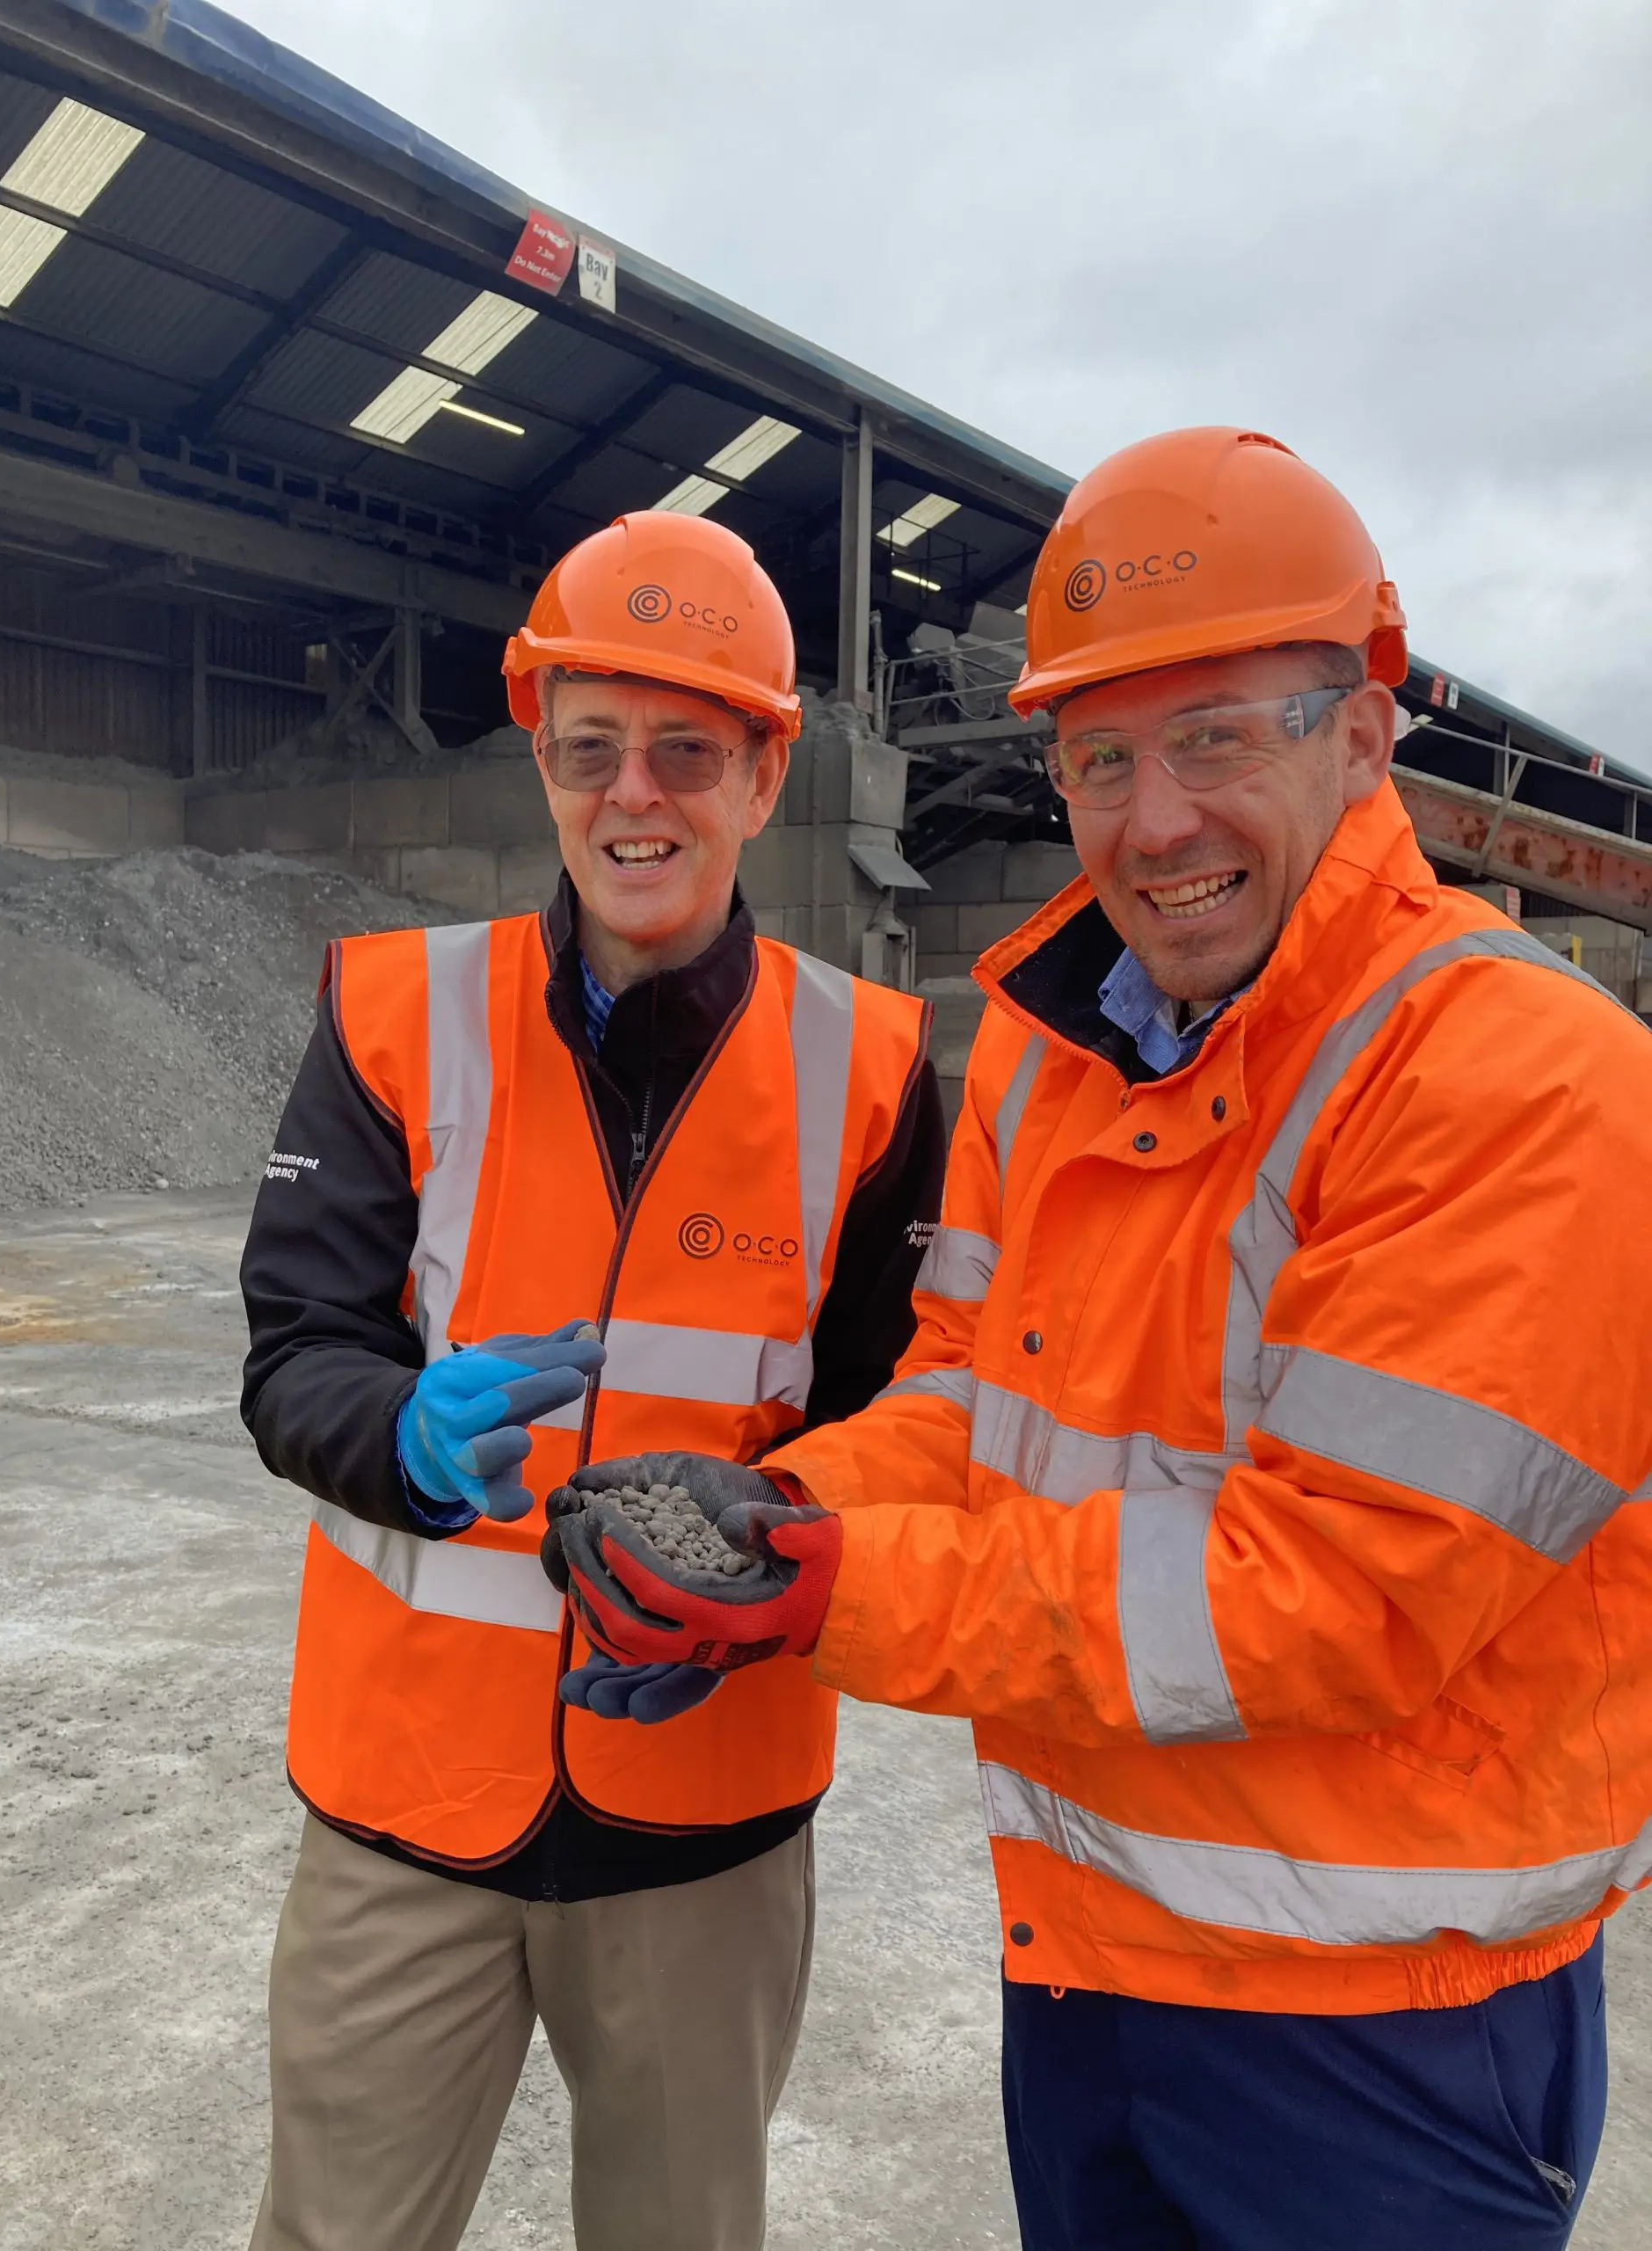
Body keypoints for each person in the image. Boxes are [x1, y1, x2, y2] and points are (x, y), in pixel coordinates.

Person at [555, 429, 1652, 2249]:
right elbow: (971, 1399)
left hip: (1385, 2033)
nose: (1154, 821)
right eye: (1099, 756)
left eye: (1217, 735)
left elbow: (1336, 1588)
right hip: (1087, 1964)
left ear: (1364, 735)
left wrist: (826, 1588)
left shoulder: (1523, 1080)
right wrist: (767, 1503)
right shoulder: (1057, 1061)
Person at [238, 509, 944, 2251]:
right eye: (592, 746)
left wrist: (776, 1527)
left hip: (705, 1825)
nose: (638, 794)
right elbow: (295, 1350)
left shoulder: (872, 1071)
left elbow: (918, 1417)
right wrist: (400, 1440)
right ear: (543, 758)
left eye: (690, 749)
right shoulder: (396, 1012)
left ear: (768, 771)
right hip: (406, 1809)